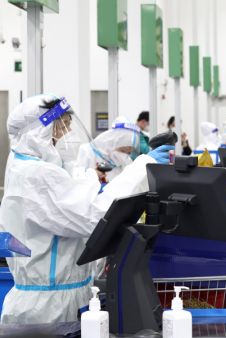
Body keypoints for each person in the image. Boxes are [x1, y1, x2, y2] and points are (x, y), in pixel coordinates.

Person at [0, 95, 173, 324]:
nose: (64, 136)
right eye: (59, 129)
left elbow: (72, 195)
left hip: (61, 301)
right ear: (38, 133)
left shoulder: (30, 165)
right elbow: (94, 216)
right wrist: (143, 166)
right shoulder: (35, 175)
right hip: (47, 311)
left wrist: (92, 179)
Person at [77, 116, 142, 182]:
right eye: (123, 151)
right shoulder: (87, 150)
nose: (125, 156)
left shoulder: (126, 160)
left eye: (129, 153)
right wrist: (92, 175)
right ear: (115, 141)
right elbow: (77, 178)